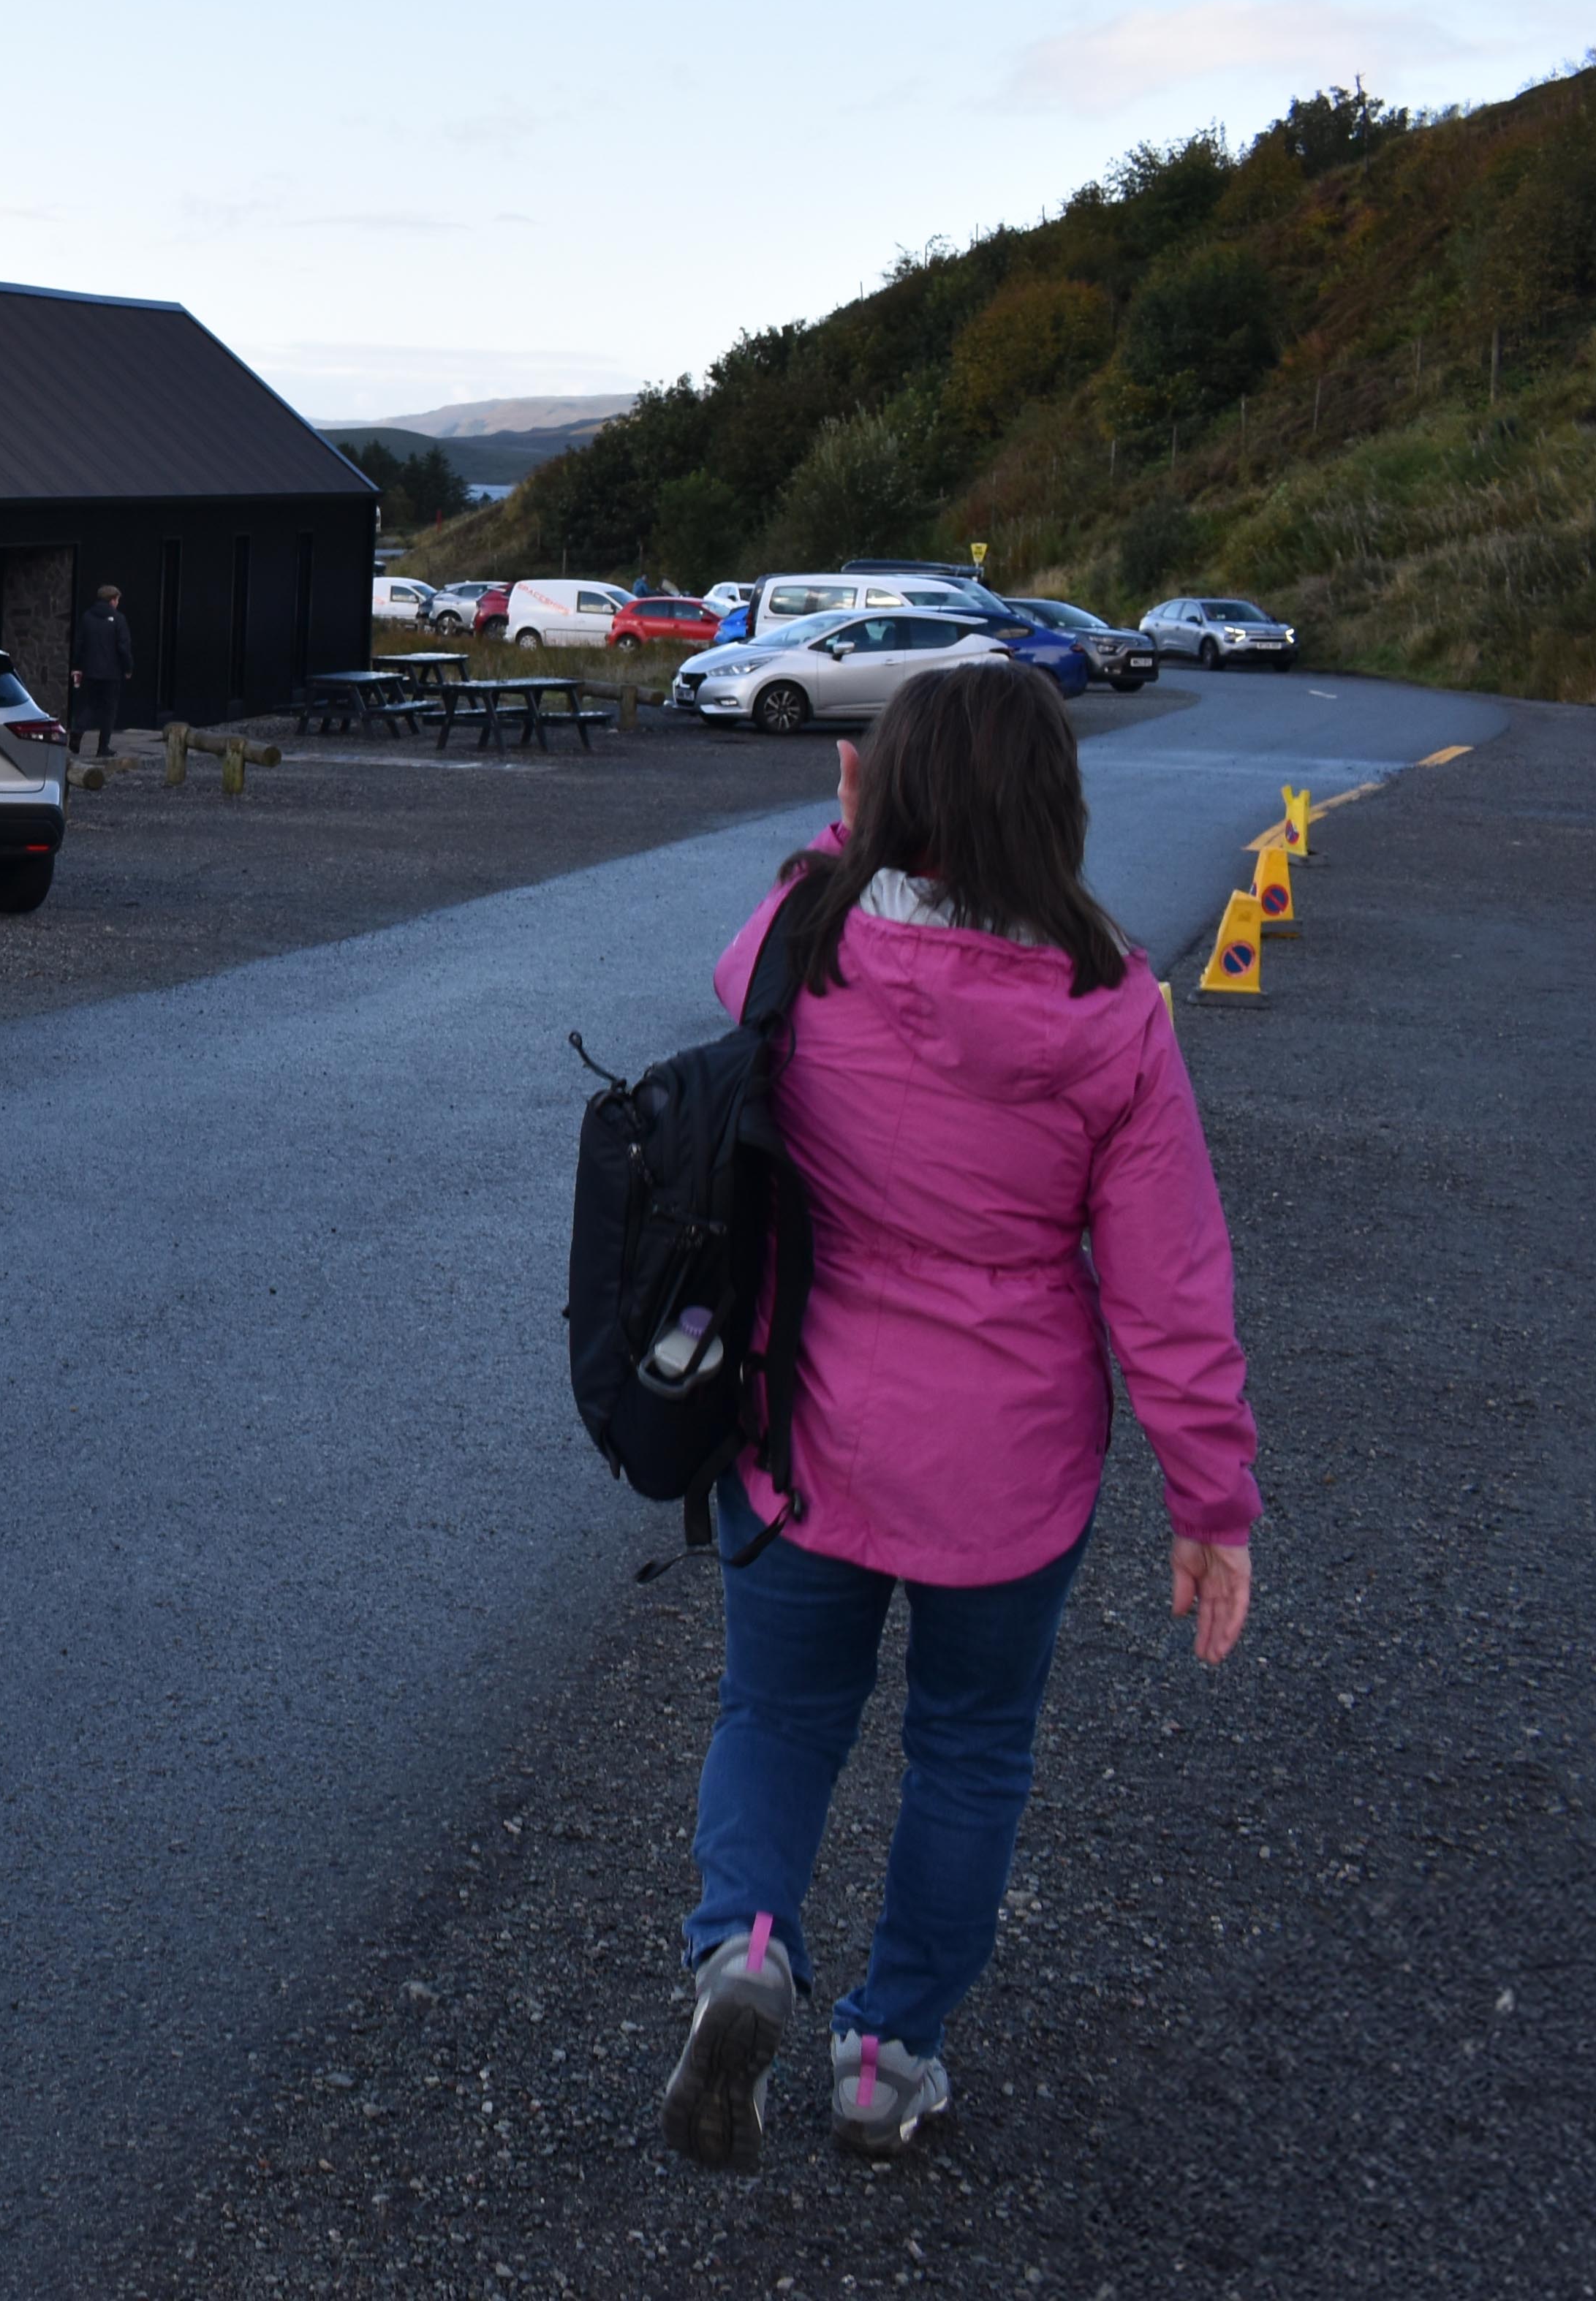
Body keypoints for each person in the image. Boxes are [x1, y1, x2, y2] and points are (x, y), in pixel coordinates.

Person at [658, 662, 1258, 2169]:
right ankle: (887, 2057)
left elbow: (734, 976)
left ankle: (745, 1946)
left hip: (803, 1425)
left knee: (779, 1712)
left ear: (882, 789)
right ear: (1055, 805)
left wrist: (842, 831)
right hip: (1010, 1457)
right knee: (971, 1748)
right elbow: (1171, 1285)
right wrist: (1211, 1501)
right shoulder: (1111, 1003)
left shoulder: (804, 936)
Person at [71, 583, 137, 755]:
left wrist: (77, 666)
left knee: (91, 704)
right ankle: (103, 747)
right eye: (117, 600)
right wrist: (128, 668)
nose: (118, 603)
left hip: (90, 670)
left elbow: (79, 644)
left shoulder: (87, 617)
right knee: (109, 710)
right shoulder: (119, 619)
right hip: (111, 673)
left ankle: (78, 730)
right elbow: (123, 647)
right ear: (112, 600)